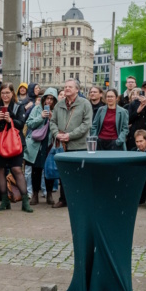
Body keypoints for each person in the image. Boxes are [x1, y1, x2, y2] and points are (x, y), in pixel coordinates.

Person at [50, 78, 94, 208]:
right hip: (63, 147)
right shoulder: (59, 104)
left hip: (80, 146)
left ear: (77, 89)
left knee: (80, 174)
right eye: (65, 86)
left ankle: (80, 200)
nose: (67, 88)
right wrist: (56, 134)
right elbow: (52, 122)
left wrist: (70, 135)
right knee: (64, 174)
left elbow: (87, 125)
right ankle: (64, 199)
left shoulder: (85, 103)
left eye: (70, 86)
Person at [0, 83, 30, 212]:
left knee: (16, 169)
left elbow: (21, 124)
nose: (5, 95)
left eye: (8, 92)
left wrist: (10, 119)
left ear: (13, 93)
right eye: (3, 93)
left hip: (14, 143)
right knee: (0, 170)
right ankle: (4, 201)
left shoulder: (19, 106)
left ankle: (25, 201)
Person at [24, 87, 59, 205]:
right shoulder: (37, 109)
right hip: (37, 144)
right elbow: (29, 123)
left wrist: (52, 118)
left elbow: (61, 127)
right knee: (36, 170)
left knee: (49, 169)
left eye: (51, 99)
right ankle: (35, 194)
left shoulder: (57, 111)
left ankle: (49, 194)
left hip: (50, 144)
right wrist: (41, 117)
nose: (48, 101)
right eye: (47, 98)